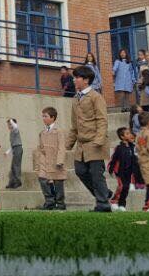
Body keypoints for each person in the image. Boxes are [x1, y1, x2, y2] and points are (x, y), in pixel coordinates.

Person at [67, 64, 112, 212]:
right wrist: (67, 145)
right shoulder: (75, 99)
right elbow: (74, 125)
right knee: (80, 171)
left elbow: (102, 119)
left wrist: (99, 140)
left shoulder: (96, 97)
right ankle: (104, 193)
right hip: (81, 144)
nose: (74, 80)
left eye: (77, 77)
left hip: (95, 142)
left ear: (86, 80)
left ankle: (103, 204)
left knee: (96, 173)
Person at [35, 106, 67, 210]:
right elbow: (40, 148)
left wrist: (60, 161)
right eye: (43, 116)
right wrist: (38, 162)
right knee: (42, 179)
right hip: (44, 161)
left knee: (58, 182)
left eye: (45, 116)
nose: (43, 118)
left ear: (52, 117)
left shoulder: (59, 131)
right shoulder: (42, 132)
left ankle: (60, 203)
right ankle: (49, 201)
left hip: (55, 160)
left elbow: (62, 147)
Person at [107, 127, 136, 211]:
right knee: (121, 186)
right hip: (120, 172)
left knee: (126, 188)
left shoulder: (132, 147)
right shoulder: (119, 148)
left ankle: (122, 205)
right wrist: (111, 169)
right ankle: (113, 201)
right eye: (127, 134)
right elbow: (114, 159)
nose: (130, 135)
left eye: (130, 133)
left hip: (128, 172)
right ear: (122, 137)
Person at [5, 118, 22, 189]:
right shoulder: (11, 133)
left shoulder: (15, 130)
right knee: (13, 166)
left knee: (16, 166)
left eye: (9, 124)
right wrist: (7, 152)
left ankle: (18, 182)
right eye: (8, 125)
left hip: (18, 148)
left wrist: (10, 120)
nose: (8, 126)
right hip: (15, 149)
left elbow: (16, 126)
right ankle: (12, 183)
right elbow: (12, 145)